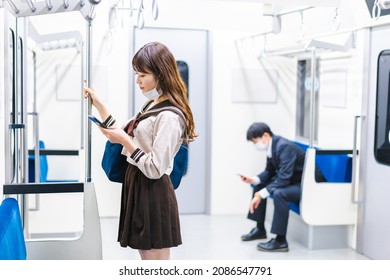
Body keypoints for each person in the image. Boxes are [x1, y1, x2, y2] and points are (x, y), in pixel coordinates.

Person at [83, 42, 196, 260]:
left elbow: (155, 168)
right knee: (145, 257)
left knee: (154, 261)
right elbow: (126, 131)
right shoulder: (151, 105)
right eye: (137, 74)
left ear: (161, 73)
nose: (138, 81)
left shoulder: (170, 117)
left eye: (143, 74)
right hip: (139, 185)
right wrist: (99, 105)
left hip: (153, 189)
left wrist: (125, 141)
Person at [239, 122, 325, 252]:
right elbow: (269, 171)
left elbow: (283, 178)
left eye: (255, 141)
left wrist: (260, 195)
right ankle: (260, 229)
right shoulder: (272, 147)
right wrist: (255, 179)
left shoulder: (283, 147)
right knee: (259, 185)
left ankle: (280, 241)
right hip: (293, 180)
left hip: (309, 186)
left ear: (266, 135)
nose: (254, 145)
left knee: (280, 193)